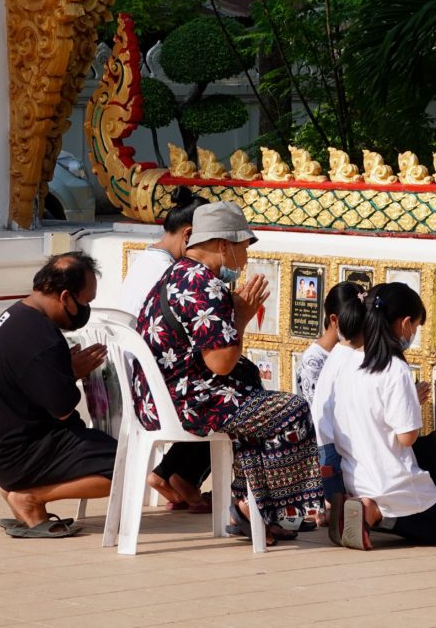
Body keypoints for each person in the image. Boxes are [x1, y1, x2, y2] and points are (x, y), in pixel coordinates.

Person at [133, 201, 322, 545]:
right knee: (292, 411)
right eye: (243, 249)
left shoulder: (176, 274)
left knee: (256, 407)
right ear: (224, 246)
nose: (245, 259)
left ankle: (251, 507)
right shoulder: (204, 286)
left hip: (160, 397)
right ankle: (275, 510)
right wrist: (243, 318)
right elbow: (220, 363)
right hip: (187, 402)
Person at [0, 252, 115, 538]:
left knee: (109, 451)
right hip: (22, 454)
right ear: (66, 297)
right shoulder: (39, 337)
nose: (86, 309)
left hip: (6, 450)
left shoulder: (19, 315)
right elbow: (62, 408)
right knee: (126, 467)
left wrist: (65, 368)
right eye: (85, 302)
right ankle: (31, 497)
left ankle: (21, 491)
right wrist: (73, 373)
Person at [329, 282, 436, 550]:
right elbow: (407, 437)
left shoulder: (350, 362)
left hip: (355, 475)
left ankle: (359, 509)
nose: (413, 335)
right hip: (389, 477)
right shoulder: (394, 368)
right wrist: (413, 404)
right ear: (405, 324)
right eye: (416, 327)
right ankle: (370, 512)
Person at [118, 189, 212, 513]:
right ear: (189, 235)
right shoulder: (173, 274)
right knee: (234, 388)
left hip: (139, 385)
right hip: (157, 391)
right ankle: (183, 475)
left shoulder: (145, 261)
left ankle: (169, 473)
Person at [298, 281, 366, 534]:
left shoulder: (352, 353)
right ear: (336, 319)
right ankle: (333, 507)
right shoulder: (314, 360)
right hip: (322, 443)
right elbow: (320, 413)